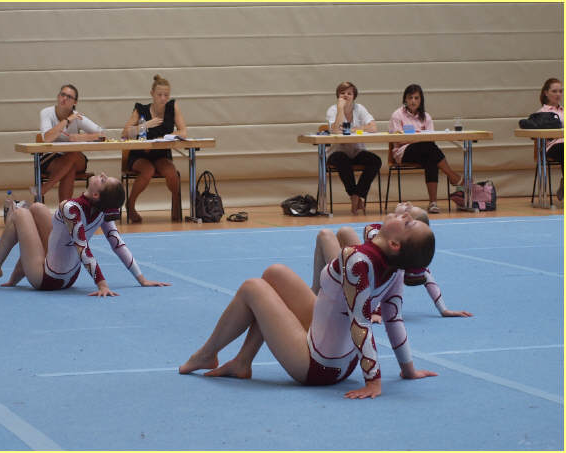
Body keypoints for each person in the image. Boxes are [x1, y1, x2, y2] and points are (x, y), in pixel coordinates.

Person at [180, 211, 438, 399]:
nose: (406, 214)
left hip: (318, 367)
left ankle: (206, 355)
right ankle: (242, 362)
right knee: (274, 273)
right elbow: (394, 320)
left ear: (394, 244)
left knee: (253, 287)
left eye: (408, 222)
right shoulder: (395, 266)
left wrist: (373, 381)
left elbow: (361, 324)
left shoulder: (357, 261)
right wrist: (408, 369)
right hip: (335, 352)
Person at [0, 173, 169, 296]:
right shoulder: (103, 210)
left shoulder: (70, 208)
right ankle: (18, 272)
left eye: (103, 180)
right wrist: (141, 278)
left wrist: (102, 284)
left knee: (20, 213)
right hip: (69, 276)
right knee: (37, 208)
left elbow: (82, 248)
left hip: (47, 279)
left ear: (96, 195)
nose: (102, 174)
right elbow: (118, 244)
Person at [312, 202, 473, 323]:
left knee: (325, 235)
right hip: (363, 274)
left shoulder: (391, 249)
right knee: (345, 231)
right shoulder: (389, 239)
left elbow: (387, 282)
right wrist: (443, 309)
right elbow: (425, 275)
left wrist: (375, 311)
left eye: (409, 214)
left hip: (358, 289)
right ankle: (322, 289)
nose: (407, 206)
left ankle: (316, 293)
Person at [121, 74, 187, 223]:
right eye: (159, 95)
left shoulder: (172, 107)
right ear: (152, 94)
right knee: (148, 170)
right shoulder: (141, 109)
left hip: (161, 154)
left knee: (171, 172)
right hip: (140, 155)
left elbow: (183, 131)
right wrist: (145, 125)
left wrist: (168, 136)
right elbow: (125, 133)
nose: (163, 98)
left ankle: (176, 203)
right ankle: (130, 204)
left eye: (166, 95)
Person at [389, 84, 462, 214]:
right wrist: (418, 137)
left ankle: (433, 203)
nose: (413, 101)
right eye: (410, 98)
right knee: (428, 149)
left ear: (421, 100)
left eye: (416, 98)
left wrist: (416, 137)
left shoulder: (426, 116)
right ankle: (452, 176)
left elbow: (430, 139)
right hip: (403, 152)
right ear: (405, 99)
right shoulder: (397, 115)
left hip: (424, 151)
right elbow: (398, 139)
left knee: (431, 158)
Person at [38, 84, 105, 202]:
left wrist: (82, 137)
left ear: (75, 102)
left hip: (76, 157)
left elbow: (102, 135)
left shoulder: (77, 116)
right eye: (62, 95)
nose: (64, 98)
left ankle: (44, 189)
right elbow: (47, 138)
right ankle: (65, 209)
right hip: (52, 158)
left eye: (69, 97)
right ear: (58, 96)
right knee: (70, 167)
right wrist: (67, 120)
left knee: (73, 154)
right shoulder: (46, 113)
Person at [326, 82, 382, 215]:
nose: (346, 95)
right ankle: (353, 195)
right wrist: (340, 109)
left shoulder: (360, 108)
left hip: (356, 151)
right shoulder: (333, 110)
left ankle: (357, 194)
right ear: (338, 96)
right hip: (337, 152)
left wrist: (354, 129)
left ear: (354, 96)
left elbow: (373, 127)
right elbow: (336, 130)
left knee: (375, 161)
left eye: (349, 93)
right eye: (342, 93)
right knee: (342, 159)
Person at [537, 78, 563, 200]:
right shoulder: (541, 113)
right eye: (554, 91)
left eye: (560, 91)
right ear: (546, 93)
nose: (558, 94)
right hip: (553, 147)